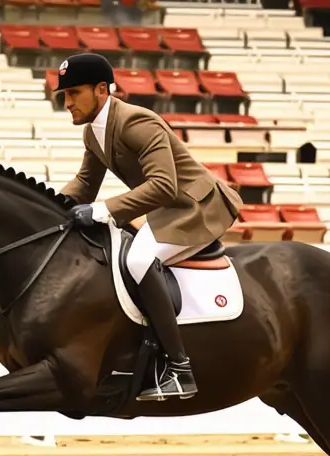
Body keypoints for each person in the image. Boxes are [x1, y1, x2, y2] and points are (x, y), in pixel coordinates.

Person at [54, 52, 243, 401]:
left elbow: (164, 185)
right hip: (166, 209)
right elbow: (84, 183)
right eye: (64, 95)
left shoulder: (137, 122)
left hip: (195, 206)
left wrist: (103, 211)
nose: (67, 103)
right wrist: (49, 209)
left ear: (100, 90)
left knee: (138, 259)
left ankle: (179, 368)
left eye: (73, 93)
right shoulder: (94, 133)